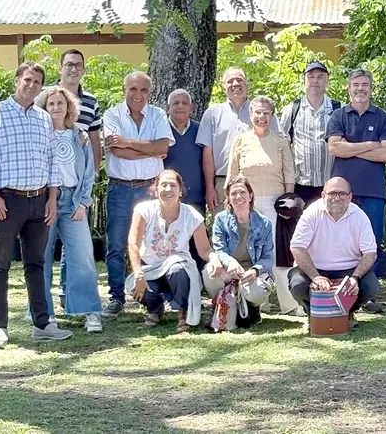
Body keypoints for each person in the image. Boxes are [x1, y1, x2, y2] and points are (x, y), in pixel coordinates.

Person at [0, 62, 72, 347]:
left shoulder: (42, 118)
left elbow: (52, 161)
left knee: (36, 264)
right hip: (7, 199)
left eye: (37, 82)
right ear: (17, 80)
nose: (32, 85)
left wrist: (52, 198)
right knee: (0, 263)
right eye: (27, 80)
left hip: (39, 201)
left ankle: (42, 323)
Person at [102, 72, 174, 317]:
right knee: (116, 243)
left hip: (150, 188)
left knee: (154, 242)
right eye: (133, 89)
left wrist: (129, 142)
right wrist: (150, 150)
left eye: (143, 90)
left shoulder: (158, 114)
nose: (138, 95)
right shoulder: (111, 115)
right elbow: (118, 152)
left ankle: (153, 297)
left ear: (149, 93)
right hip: (120, 188)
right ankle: (116, 297)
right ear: (125, 89)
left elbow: (163, 147)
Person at [326, 68, 386, 313]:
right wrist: (368, 145)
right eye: (355, 84)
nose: (360, 89)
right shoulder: (337, 116)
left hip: (373, 191)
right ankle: (342, 288)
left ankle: (369, 295)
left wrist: (350, 146)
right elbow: (334, 149)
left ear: (371, 88)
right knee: (341, 242)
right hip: (341, 194)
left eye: (364, 84)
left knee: (372, 244)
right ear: (348, 88)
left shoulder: (383, 117)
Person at [34, 86, 103, 332]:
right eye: (50, 103)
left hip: (73, 201)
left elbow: (88, 172)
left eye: (60, 103)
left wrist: (84, 202)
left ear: (68, 106)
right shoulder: (38, 135)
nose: (55, 107)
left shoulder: (80, 135)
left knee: (83, 257)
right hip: (44, 202)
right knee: (41, 259)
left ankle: (90, 311)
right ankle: (44, 314)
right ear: (43, 108)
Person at [125, 170, 223, 332]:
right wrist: (138, 274)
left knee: (178, 269)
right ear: (155, 190)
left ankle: (183, 312)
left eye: (173, 185)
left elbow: (205, 249)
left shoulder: (191, 215)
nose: (168, 189)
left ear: (180, 190)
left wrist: (214, 258)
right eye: (163, 185)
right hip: (150, 268)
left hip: (178, 269)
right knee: (134, 286)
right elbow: (133, 244)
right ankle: (155, 309)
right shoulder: (143, 211)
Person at [227, 96, 299, 315]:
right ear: (251, 115)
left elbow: (289, 174)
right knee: (254, 253)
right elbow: (232, 175)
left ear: (272, 116)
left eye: (266, 113)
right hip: (247, 206)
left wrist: (289, 204)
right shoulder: (240, 141)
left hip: (275, 205)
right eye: (257, 112)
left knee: (279, 254)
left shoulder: (280, 140)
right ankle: (259, 303)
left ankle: (290, 304)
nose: (261, 117)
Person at [289, 177, 380, 328]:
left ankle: (348, 312)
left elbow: (370, 253)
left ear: (350, 197)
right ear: (323, 195)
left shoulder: (359, 216)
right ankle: (314, 314)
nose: (337, 198)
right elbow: (297, 247)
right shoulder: (311, 213)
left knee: (371, 286)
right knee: (298, 284)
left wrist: (355, 278)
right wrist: (316, 277)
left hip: (349, 270)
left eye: (342, 194)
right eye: (332, 193)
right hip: (315, 268)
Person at [53, 49, 103, 311]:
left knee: (78, 250)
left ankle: (76, 302)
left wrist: (91, 176)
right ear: (60, 67)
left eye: (78, 65)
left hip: (77, 187)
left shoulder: (91, 101)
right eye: (69, 64)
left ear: (83, 69)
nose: (73, 69)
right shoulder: (49, 97)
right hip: (49, 190)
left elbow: (94, 138)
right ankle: (50, 305)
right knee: (47, 251)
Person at [197, 67, 278, 216]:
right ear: (223, 87)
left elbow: (276, 146)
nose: (235, 83)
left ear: (247, 84)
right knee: (226, 231)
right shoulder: (213, 114)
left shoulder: (262, 112)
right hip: (223, 184)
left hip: (258, 184)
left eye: (240, 80)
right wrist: (210, 188)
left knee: (257, 232)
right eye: (230, 81)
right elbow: (207, 154)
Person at [205, 176, 275, 326]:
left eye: (242, 192)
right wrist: (230, 262)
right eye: (233, 194)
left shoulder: (264, 223)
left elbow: (268, 257)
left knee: (257, 292)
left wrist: (255, 270)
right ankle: (220, 305)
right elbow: (219, 248)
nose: (238, 197)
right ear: (228, 199)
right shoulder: (220, 220)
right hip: (229, 270)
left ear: (250, 196)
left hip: (250, 271)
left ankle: (252, 308)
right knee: (208, 272)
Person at [280, 62, 341, 206]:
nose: (315, 80)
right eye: (311, 76)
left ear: (327, 81)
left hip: (330, 184)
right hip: (300, 184)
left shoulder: (338, 109)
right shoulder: (292, 109)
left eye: (320, 77)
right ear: (304, 80)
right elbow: (283, 145)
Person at [164, 89, 206, 270]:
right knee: (169, 239)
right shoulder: (160, 130)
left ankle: (198, 280)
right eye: (175, 103)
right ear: (168, 108)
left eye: (184, 103)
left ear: (191, 107)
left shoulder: (200, 130)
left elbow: (207, 161)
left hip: (196, 196)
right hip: (168, 198)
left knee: (196, 240)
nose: (180, 106)